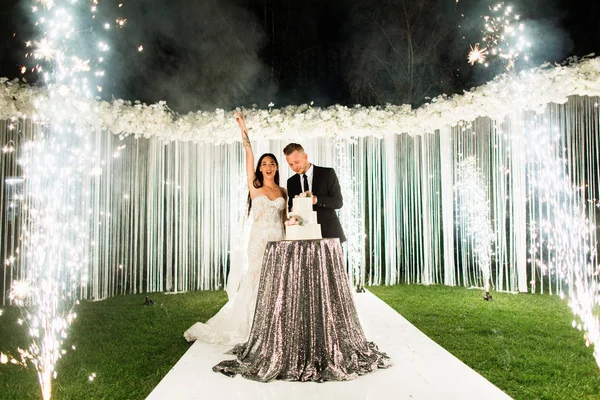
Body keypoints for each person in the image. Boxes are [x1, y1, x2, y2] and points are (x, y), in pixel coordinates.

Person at [184, 110, 287, 345]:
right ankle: (252, 322)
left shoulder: (283, 192)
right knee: (257, 278)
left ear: (277, 168)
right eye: (265, 164)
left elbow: (285, 218)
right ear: (260, 168)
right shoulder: (255, 187)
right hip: (259, 239)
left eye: (272, 163)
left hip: (278, 239)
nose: (268, 166)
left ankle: (274, 322)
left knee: (275, 281)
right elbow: (248, 152)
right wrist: (244, 129)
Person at [283, 143, 346, 242]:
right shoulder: (291, 182)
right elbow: (292, 208)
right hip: (303, 237)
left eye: (296, 162)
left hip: (329, 234)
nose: (294, 167)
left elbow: (338, 202)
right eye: (290, 164)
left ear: (305, 156)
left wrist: (316, 200)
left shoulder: (327, 173)